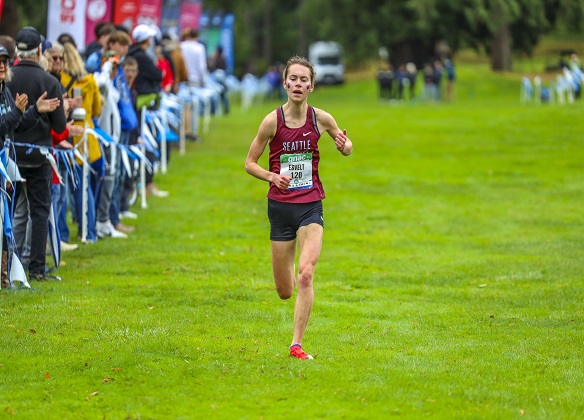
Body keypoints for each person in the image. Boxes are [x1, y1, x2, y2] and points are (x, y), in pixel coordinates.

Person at [244, 55, 353, 360]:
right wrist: (272, 176)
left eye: (305, 80)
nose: (298, 84)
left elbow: (345, 145)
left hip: (310, 205)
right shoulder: (271, 122)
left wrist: (345, 147)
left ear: (312, 86)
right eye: (294, 78)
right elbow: (249, 163)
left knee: (306, 274)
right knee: (284, 290)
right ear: (285, 83)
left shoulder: (321, 119)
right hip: (279, 208)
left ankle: (296, 344)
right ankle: (290, 280)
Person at [7, 26, 66, 281]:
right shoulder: (49, 81)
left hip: (11, 155)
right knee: (39, 212)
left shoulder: (7, 78)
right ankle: (37, 269)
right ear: (40, 50)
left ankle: (9, 264)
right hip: (39, 155)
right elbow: (61, 126)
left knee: (10, 212)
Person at [59, 42, 103, 243]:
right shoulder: (89, 81)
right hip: (85, 136)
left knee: (61, 190)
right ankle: (89, 232)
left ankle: (63, 235)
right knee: (83, 187)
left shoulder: (59, 78)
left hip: (64, 136)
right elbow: (97, 111)